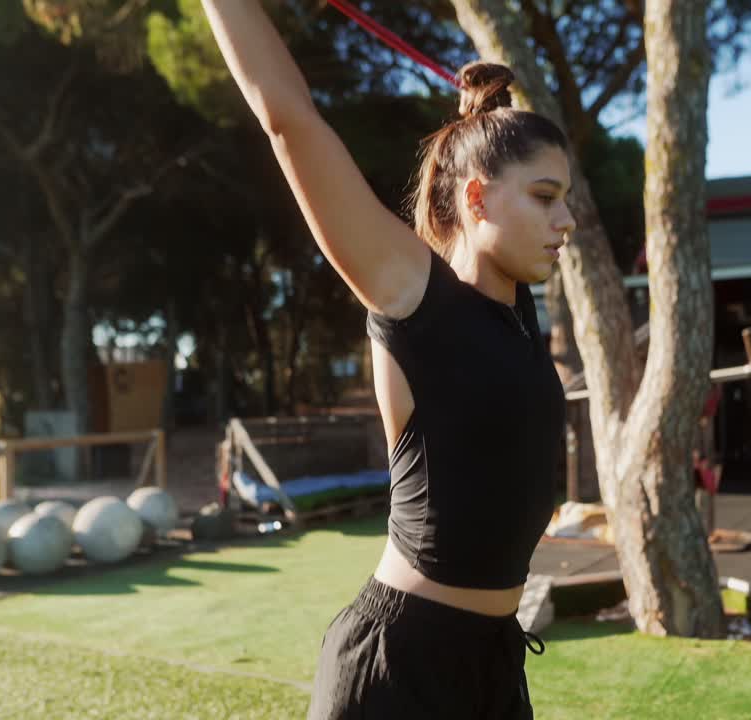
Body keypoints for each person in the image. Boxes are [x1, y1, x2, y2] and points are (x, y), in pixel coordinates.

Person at [201, 3, 576, 717]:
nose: (567, 221)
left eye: (565, 200)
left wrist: (488, 112)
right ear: (476, 198)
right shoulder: (414, 296)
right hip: (401, 666)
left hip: (493, 663)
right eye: (545, 198)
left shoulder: (518, 312)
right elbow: (289, 119)